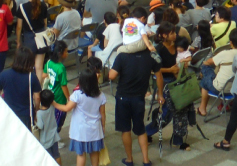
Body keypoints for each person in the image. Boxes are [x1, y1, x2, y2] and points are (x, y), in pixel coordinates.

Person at [110, 34, 161, 166]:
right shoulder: (151, 56)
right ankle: (146, 159)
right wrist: (160, 94)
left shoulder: (122, 56)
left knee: (125, 130)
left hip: (123, 96)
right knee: (140, 129)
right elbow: (159, 76)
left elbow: (112, 75)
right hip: (139, 97)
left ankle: (129, 159)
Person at [54, 68, 107, 166]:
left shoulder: (77, 95)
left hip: (80, 131)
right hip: (95, 129)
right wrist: (103, 126)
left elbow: (66, 108)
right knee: (94, 153)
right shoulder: (101, 95)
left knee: (81, 155)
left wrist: (54, 103)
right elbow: (103, 113)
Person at [0, 46, 42, 130]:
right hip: (25, 115)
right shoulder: (31, 76)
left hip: (8, 112)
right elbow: (37, 97)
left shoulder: (4, 74)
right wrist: (36, 109)